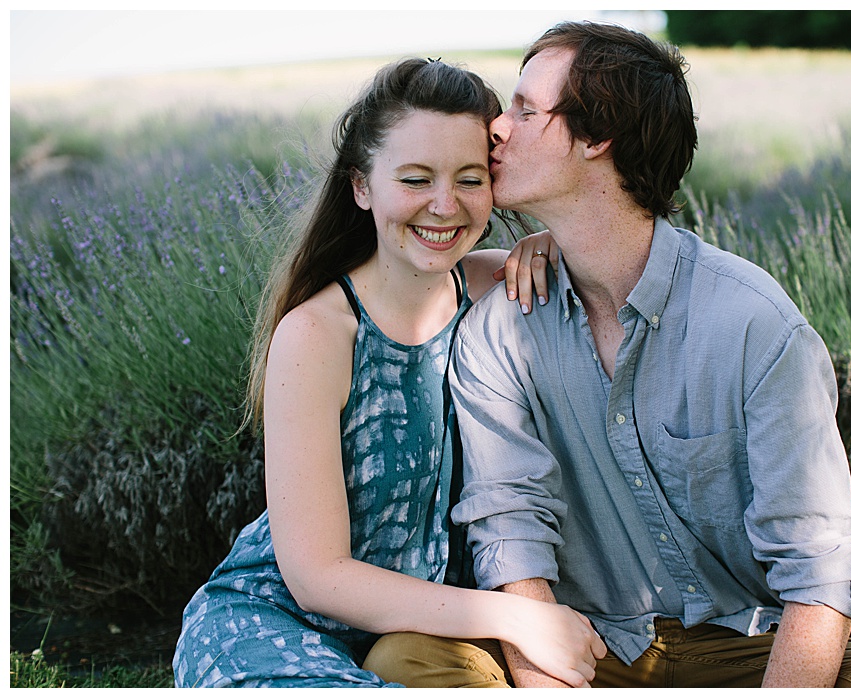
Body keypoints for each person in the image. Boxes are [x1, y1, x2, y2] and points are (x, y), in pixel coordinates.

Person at [360, 21, 851, 688]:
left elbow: (821, 573)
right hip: (583, 642)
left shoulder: (751, 326)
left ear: (597, 138)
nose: (497, 127)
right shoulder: (502, 324)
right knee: (405, 658)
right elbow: (512, 540)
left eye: (527, 109)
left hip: (745, 644)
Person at [172, 57, 605, 688]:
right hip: (278, 627)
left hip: (431, 635)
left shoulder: (496, 285)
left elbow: (610, 249)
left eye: (469, 178)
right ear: (361, 187)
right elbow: (317, 576)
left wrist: (548, 239)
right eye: (415, 179)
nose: (444, 205)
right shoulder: (318, 334)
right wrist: (519, 617)